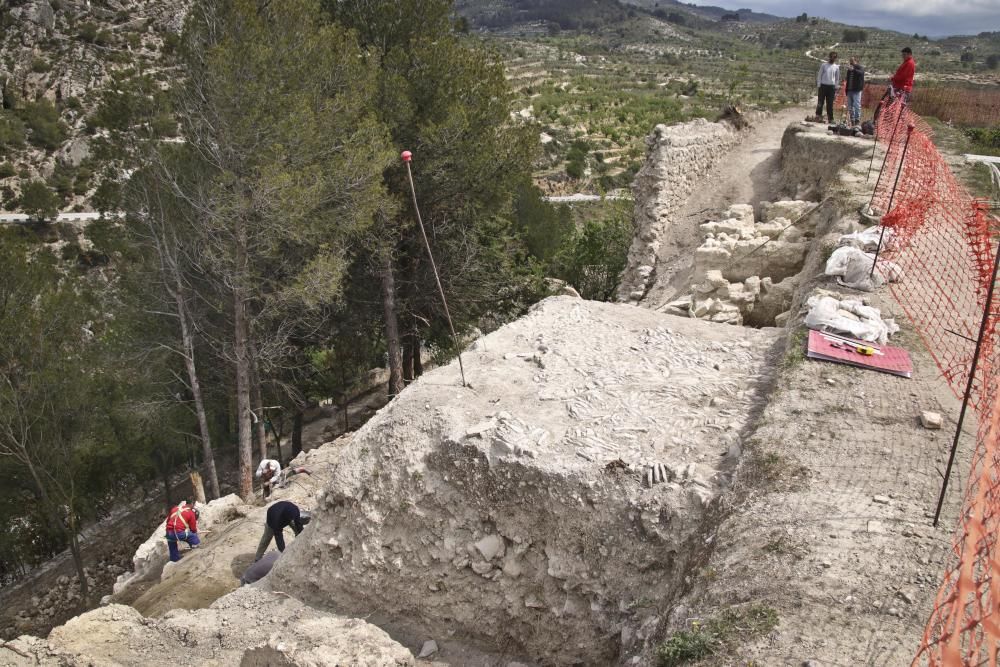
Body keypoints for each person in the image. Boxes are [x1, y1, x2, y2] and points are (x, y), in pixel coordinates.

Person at [875, 47, 916, 122]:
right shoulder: (907, 62)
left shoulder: (909, 63)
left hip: (903, 88)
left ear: (909, 54)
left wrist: (893, 78)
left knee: (898, 107)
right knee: (894, 106)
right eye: (902, 55)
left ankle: (898, 124)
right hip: (899, 87)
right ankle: (890, 122)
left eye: (904, 55)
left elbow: (903, 76)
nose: (903, 56)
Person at [815, 51, 840, 124]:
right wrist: (819, 85)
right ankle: (818, 115)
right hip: (823, 86)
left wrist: (836, 87)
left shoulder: (836, 67)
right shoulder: (824, 65)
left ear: (836, 58)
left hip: (831, 87)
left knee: (830, 103)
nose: (833, 58)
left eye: (834, 57)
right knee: (820, 102)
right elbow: (819, 75)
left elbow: (837, 78)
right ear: (829, 57)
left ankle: (831, 118)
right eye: (832, 56)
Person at [845, 57, 865, 127]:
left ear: (856, 61)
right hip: (850, 90)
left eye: (852, 60)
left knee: (857, 105)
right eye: (850, 60)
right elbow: (848, 80)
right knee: (850, 106)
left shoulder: (860, 67)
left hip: (856, 90)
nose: (850, 61)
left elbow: (861, 73)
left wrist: (853, 70)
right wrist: (846, 90)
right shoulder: (849, 70)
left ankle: (857, 120)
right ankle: (852, 120)